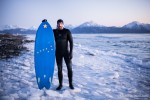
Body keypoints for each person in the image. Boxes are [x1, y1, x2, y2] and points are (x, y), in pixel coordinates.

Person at [53, 19, 74, 90]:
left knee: (70, 69)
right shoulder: (54, 31)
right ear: (57, 24)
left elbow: (71, 42)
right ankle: (60, 84)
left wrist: (71, 52)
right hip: (58, 53)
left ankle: (70, 84)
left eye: (61, 23)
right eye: (58, 24)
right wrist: (44, 23)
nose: (59, 25)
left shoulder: (67, 31)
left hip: (66, 53)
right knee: (59, 69)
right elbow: (46, 32)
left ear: (63, 24)